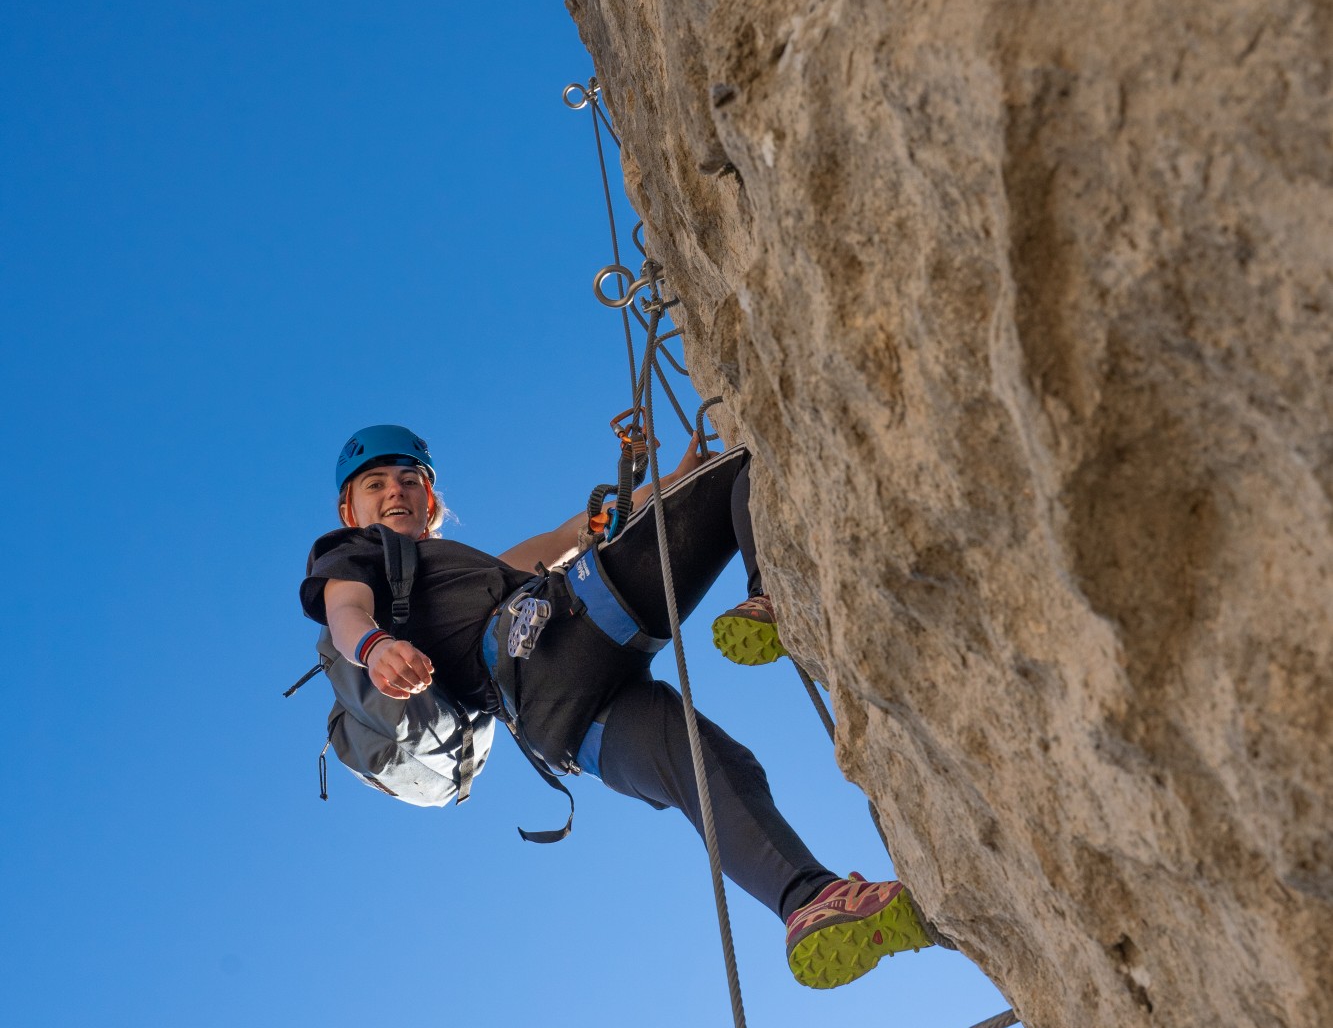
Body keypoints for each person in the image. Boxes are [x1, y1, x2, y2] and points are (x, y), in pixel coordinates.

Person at [300, 423, 933, 988]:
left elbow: (572, 535)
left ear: (430, 498)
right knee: (739, 470)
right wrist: (376, 647)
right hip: (551, 647)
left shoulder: (470, 568)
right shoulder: (352, 554)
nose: (395, 492)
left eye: (409, 480)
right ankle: (769, 598)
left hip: (562, 725)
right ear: (347, 508)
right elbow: (346, 611)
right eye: (376, 483)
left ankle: (808, 902)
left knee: (711, 769)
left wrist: (673, 482)